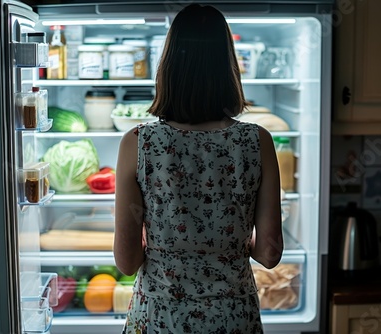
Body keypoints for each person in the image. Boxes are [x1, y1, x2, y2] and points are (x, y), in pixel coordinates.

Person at [114, 3, 283, 333]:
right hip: (233, 315)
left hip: (161, 315)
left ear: (168, 67)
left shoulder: (137, 143)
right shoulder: (257, 141)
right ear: (229, 68)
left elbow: (126, 261)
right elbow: (269, 252)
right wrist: (226, 247)